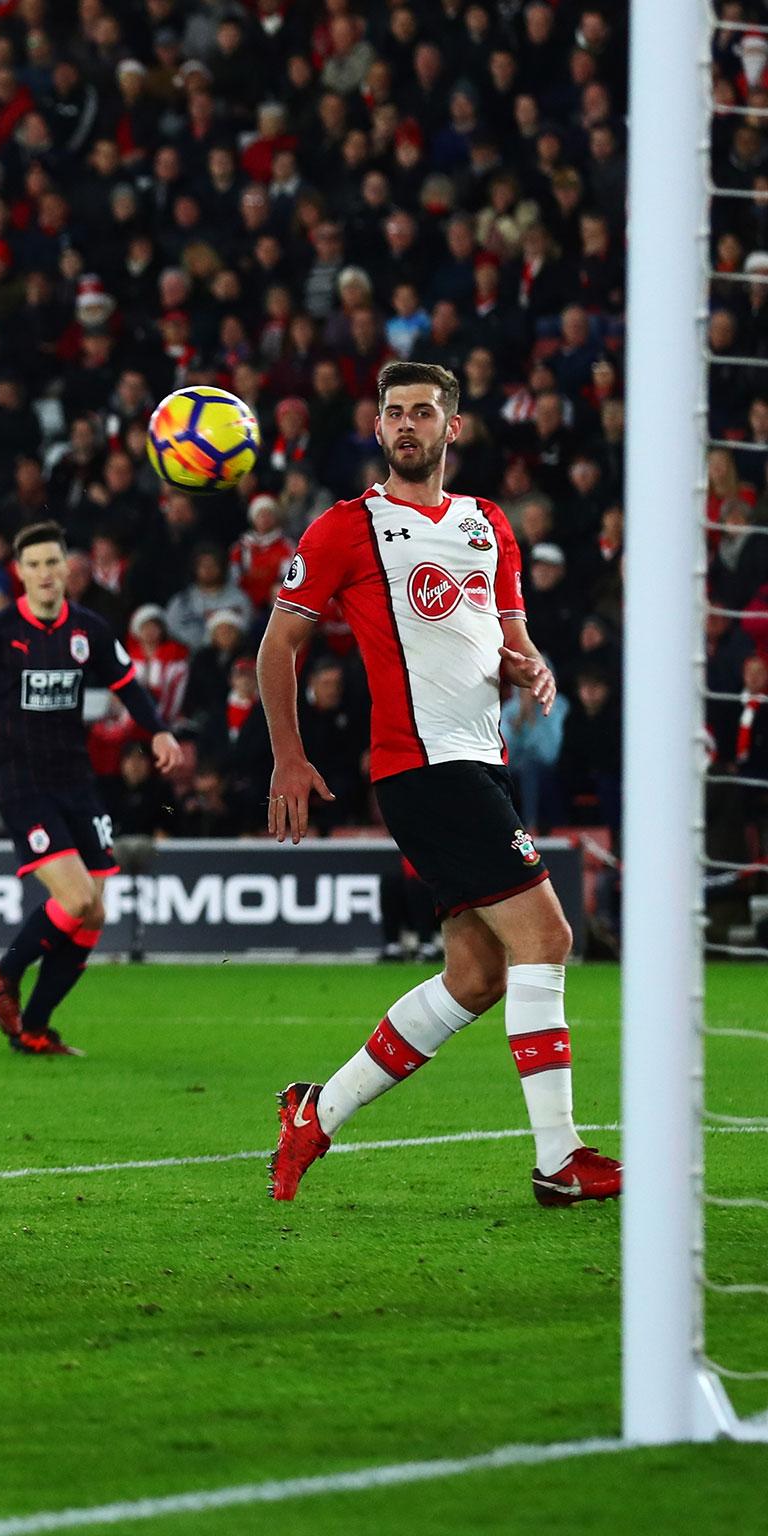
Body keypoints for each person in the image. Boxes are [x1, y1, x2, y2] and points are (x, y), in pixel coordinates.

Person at [260, 360, 619, 1208]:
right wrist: (288, 753)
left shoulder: (489, 524)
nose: (408, 426)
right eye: (394, 414)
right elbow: (278, 646)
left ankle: (317, 1111)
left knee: (476, 977)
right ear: (379, 429)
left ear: (453, 427)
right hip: (424, 769)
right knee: (548, 937)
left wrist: (530, 669)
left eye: (424, 412)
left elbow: (504, 636)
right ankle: (559, 1160)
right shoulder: (347, 529)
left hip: (479, 759)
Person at [0, 521, 178, 1056]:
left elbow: (128, 686)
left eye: (54, 562)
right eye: (35, 565)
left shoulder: (89, 629)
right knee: (75, 899)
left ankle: (33, 1027)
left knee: (95, 912)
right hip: (18, 778)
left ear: (67, 567)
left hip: (75, 778)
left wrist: (160, 730)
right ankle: (3, 973)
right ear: (20, 573)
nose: (47, 574)